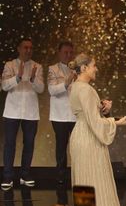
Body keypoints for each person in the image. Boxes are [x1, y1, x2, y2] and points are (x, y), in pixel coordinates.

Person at [68, 53, 126, 206]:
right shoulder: (86, 90)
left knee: (85, 182)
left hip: (79, 135)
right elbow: (93, 122)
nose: (96, 69)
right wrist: (116, 122)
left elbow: (87, 115)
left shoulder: (75, 86)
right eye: (94, 65)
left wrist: (104, 111)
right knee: (94, 180)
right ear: (84, 68)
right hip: (89, 138)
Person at [1, 38, 44, 190]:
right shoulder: (10, 65)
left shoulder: (37, 66)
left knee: (29, 144)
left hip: (31, 112)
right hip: (12, 111)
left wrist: (32, 79)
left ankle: (25, 174)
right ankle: (7, 177)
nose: (28, 50)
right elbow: (5, 86)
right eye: (25, 47)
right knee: (10, 144)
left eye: (30, 48)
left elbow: (41, 89)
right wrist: (18, 77)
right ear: (19, 49)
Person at [48, 41, 77, 184]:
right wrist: (67, 82)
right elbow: (52, 90)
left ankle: (79, 174)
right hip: (59, 115)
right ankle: (61, 175)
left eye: (71, 52)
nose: (68, 55)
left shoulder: (79, 70)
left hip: (76, 115)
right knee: (61, 146)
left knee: (78, 145)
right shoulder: (53, 69)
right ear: (59, 53)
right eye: (65, 52)